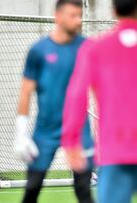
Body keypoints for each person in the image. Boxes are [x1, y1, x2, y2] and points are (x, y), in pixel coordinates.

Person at [14, 0, 94, 203]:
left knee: (83, 190)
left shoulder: (87, 48)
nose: (78, 21)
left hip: (79, 131)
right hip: (45, 131)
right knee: (32, 188)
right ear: (58, 17)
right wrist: (21, 133)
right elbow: (26, 92)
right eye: (73, 16)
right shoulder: (38, 51)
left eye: (80, 16)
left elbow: (100, 87)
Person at [62, 0, 137, 202]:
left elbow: (76, 96)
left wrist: (70, 141)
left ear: (113, 9)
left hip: (115, 150)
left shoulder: (95, 48)